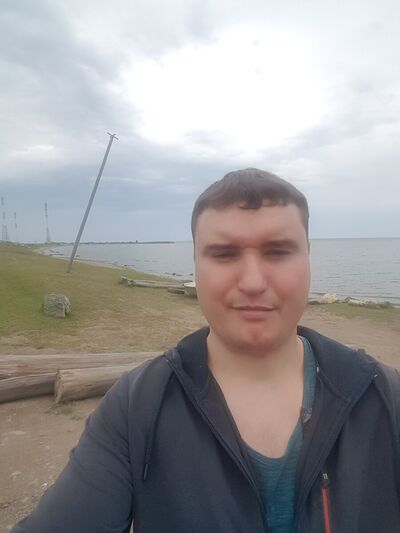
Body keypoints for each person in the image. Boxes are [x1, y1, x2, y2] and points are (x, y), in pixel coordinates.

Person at [13, 168, 400, 532]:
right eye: (224, 254)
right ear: (196, 264)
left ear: (308, 257)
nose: (252, 282)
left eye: (278, 251)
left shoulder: (383, 394)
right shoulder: (137, 406)